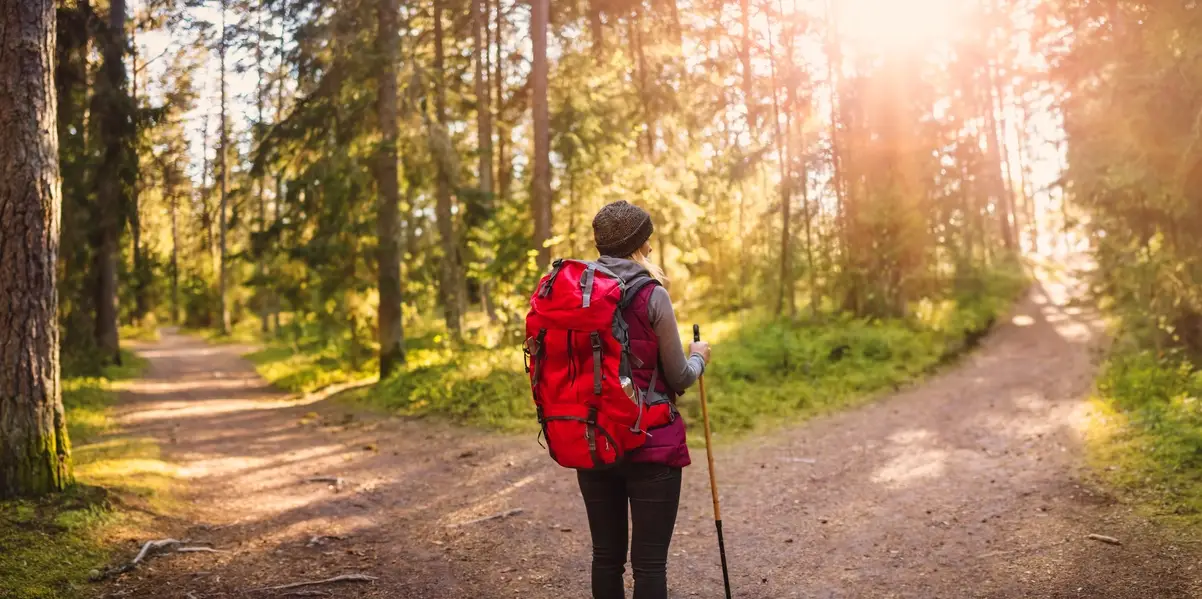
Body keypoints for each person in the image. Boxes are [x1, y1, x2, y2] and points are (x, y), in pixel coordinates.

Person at [577, 200, 712, 599]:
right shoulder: (652, 295)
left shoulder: (579, 292)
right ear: (636, 245)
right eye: (646, 240)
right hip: (651, 444)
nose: (651, 248)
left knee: (605, 557)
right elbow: (679, 376)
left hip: (595, 439)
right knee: (650, 564)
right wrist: (699, 357)